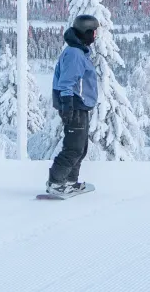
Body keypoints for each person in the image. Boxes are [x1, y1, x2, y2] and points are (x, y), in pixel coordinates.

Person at [48, 14, 99, 194]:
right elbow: (67, 82)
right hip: (74, 104)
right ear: (86, 32)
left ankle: (69, 181)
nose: (95, 36)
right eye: (93, 32)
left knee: (81, 148)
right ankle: (55, 182)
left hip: (80, 104)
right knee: (73, 148)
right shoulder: (75, 54)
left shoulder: (79, 51)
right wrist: (67, 104)